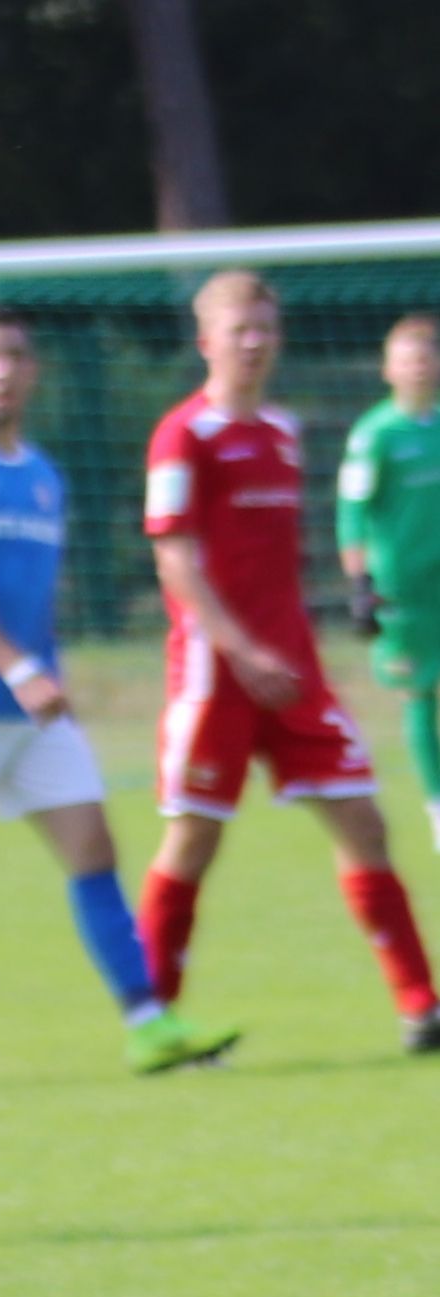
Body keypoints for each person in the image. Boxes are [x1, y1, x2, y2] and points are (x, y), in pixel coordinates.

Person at [0, 308, 234, 1088]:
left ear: (33, 371)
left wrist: (47, 671)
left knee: (94, 849)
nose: (3, 369)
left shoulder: (43, 474)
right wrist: (18, 668)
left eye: (15, 356)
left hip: (32, 707)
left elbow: (30, 596)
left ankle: (149, 1024)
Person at [134, 270, 440, 1053]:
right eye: (240, 329)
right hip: (216, 675)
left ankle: (421, 1007)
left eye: (266, 328)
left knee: (365, 822)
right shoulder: (183, 435)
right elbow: (175, 558)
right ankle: (155, 1018)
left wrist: (289, 648)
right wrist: (241, 650)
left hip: (295, 673)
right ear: (207, 341)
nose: (256, 342)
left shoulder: (282, 430)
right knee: (194, 840)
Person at [337, 313, 440, 851]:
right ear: (387, 369)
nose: (418, 366)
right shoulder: (374, 434)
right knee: (419, 694)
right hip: (404, 590)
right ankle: (437, 808)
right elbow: (351, 513)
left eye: (426, 355)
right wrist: (360, 583)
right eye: (407, 358)